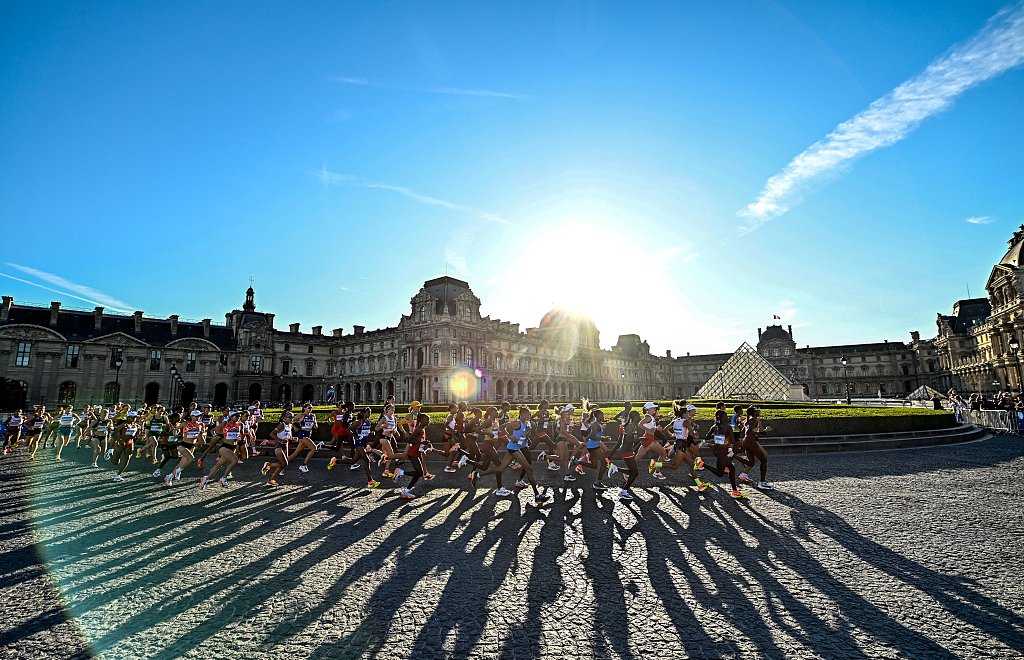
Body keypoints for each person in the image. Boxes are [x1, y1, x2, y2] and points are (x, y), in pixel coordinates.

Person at [477, 406, 549, 505]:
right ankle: (537, 496)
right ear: (522, 414)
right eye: (527, 414)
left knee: (501, 468)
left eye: (529, 414)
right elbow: (502, 427)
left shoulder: (527, 423)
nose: (529, 415)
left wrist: (526, 437)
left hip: (515, 448)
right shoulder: (517, 422)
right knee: (529, 469)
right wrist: (511, 436)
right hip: (513, 448)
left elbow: (523, 435)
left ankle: (478, 475)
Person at [737, 406, 774, 490]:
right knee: (763, 460)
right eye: (757, 411)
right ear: (753, 413)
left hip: (747, 441)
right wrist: (763, 431)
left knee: (751, 462)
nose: (758, 412)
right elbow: (749, 431)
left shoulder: (751, 420)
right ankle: (762, 482)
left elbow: (756, 432)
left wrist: (765, 431)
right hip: (751, 441)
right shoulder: (753, 420)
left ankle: (736, 459)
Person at [164, 410, 204, 487]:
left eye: (199, 416)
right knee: (191, 459)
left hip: (191, 446)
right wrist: (176, 435)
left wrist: (196, 443)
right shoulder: (186, 423)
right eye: (196, 416)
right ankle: (179, 471)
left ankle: (169, 477)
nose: (198, 418)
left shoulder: (200, 424)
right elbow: (175, 429)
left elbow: (202, 440)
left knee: (181, 464)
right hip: (183, 445)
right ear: (192, 416)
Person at [288, 404, 320, 473]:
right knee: (314, 448)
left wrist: (315, 424)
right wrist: (294, 427)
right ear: (304, 408)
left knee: (295, 453)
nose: (310, 409)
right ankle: (303, 465)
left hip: (308, 434)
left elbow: (316, 427)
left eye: (311, 408)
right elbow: (290, 421)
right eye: (309, 408)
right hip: (302, 434)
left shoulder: (313, 416)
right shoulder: (301, 415)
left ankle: (281, 465)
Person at [110, 411, 141, 482]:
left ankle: (118, 475)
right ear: (128, 417)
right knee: (115, 462)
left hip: (129, 443)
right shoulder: (123, 425)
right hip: (120, 443)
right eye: (132, 417)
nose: (134, 419)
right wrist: (120, 440)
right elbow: (113, 434)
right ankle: (110, 453)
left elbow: (135, 436)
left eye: (135, 417)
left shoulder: (136, 426)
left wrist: (139, 435)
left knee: (127, 458)